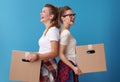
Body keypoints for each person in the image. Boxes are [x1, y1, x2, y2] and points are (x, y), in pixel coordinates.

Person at [26, 4, 60, 82]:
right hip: (43, 63)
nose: (41, 13)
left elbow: (55, 52)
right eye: (41, 12)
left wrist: (37, 56)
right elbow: (44, 50)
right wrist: (34, 54)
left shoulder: (53, 30)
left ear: (51, 16)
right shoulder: (46, 30)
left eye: (44, 12)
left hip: (48, 65)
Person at [57, 6, 83, 82]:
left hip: (67, 66)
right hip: (68, 67)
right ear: (63, 18)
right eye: (70, 15)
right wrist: (74, 68)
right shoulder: (66, 33)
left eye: (73, 15)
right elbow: (61, 54)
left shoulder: (62, 31)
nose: (73, 17)